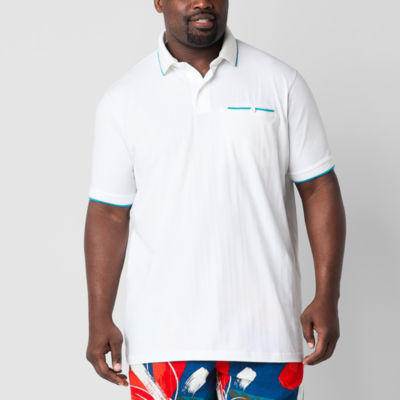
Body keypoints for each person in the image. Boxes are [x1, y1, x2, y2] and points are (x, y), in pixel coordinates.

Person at [84, 1, 346, 399]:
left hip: (266, 337)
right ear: (158, 2)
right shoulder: (124, 98)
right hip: (164, 341)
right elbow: (108, 213)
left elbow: (318, 188)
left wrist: (327, 296)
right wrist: (99, 316)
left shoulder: (280, 82)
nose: (203, 1)